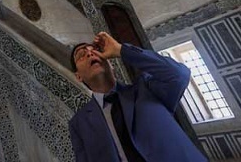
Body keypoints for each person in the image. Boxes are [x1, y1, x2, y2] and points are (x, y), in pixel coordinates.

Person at [68, 31, 207, 162]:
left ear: (111, 65)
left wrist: (121, 50)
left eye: (95, 50)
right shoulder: (78, 124)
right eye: (81, 55)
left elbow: (179, 75)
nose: (90, 53)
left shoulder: (146, 88)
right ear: (78, 76)